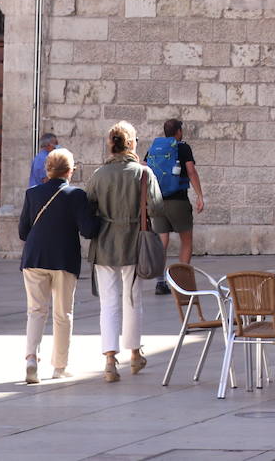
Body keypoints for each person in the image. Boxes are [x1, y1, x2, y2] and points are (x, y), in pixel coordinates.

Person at [87, 120, 163, 383]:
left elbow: (88, 207)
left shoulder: (98, 175)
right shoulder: (143, 174)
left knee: (108, 303)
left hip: (105, 243)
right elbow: (157, 208)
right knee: (132, 300)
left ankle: (110, 359)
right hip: (133, 242)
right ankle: (134, 353)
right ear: (131, 144)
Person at [19, 147, 99, 383]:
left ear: (48, 170)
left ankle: (32, 358)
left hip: (34, 258)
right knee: (62, 313)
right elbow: (88, 230)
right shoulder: (76, 195)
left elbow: (23, 232)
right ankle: (59, 366)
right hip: (64, 258)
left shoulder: (32, 194)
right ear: (70, 171)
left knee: (35, 311)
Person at [147, 119, 204, 295]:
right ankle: (181, 284)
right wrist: (200, 195)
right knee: (186, 240)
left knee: (162, 241)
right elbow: (191, 171)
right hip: (178, 201)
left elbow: (145, 168)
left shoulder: (154, 148)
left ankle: (160, 282)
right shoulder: (183, 147)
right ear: (178, 131)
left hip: (157, 201)